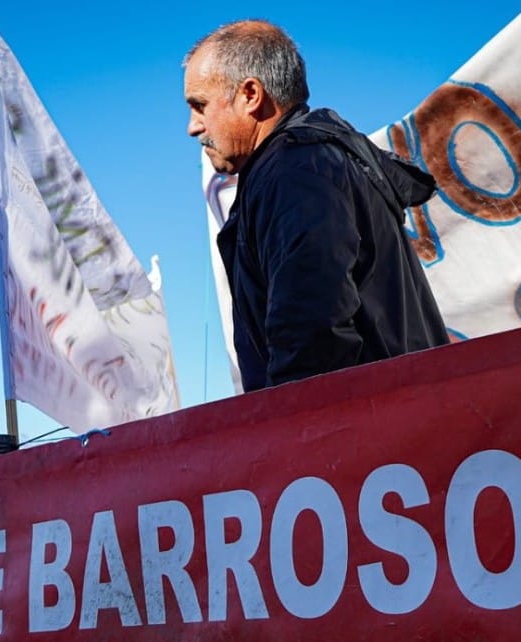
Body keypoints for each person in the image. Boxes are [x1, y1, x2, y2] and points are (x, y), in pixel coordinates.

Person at [183, 20, 449, 392]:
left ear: (250, 95)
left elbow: (312, 336)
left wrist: (294, 418)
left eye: (200, 106)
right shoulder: (309, 165)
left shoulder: (297, 170)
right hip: (397, 412)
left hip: (362, 420)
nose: (193, 127)